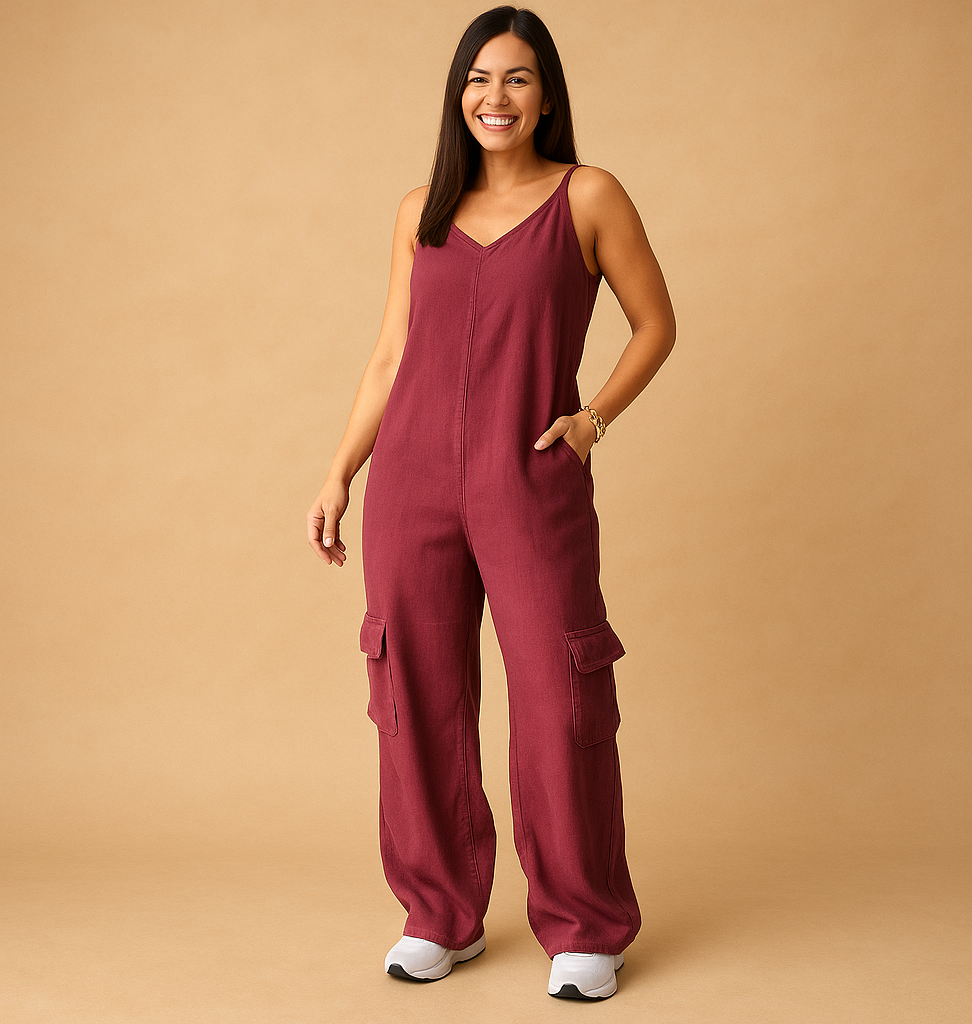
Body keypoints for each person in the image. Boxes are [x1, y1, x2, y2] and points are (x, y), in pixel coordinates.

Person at [306, 5, 675, 1001]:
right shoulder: (420, 209)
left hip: (529, 481)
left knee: (560, 697)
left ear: (545, 95)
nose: (494, 96)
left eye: (516, 78)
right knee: (413, 696)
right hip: (410, 482)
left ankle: (585, 925)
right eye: (477, 78)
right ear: (456, 94)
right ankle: (438, 913)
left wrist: (591, 418)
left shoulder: (587, 195)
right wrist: (341, 470)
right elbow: (391, 353)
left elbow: (655, 323)